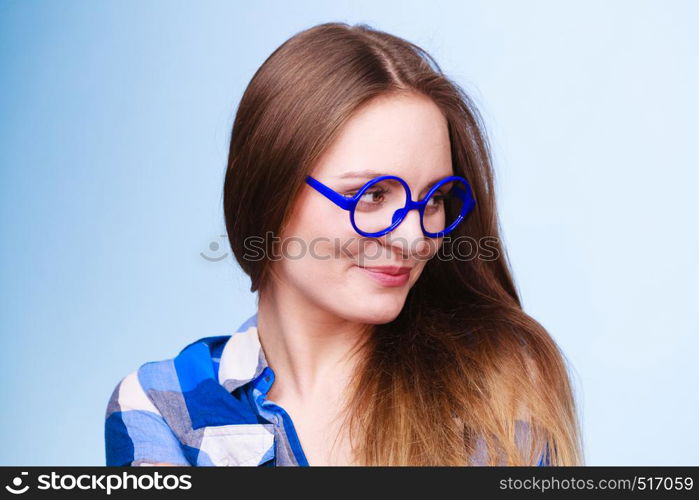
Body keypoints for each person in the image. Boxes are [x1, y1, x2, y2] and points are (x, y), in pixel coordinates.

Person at [105, 21, 583, 466]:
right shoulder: (163, 406)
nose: (414, 238)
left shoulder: (496, 389)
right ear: (267, 187)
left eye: (434, 199)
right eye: (372, 195)